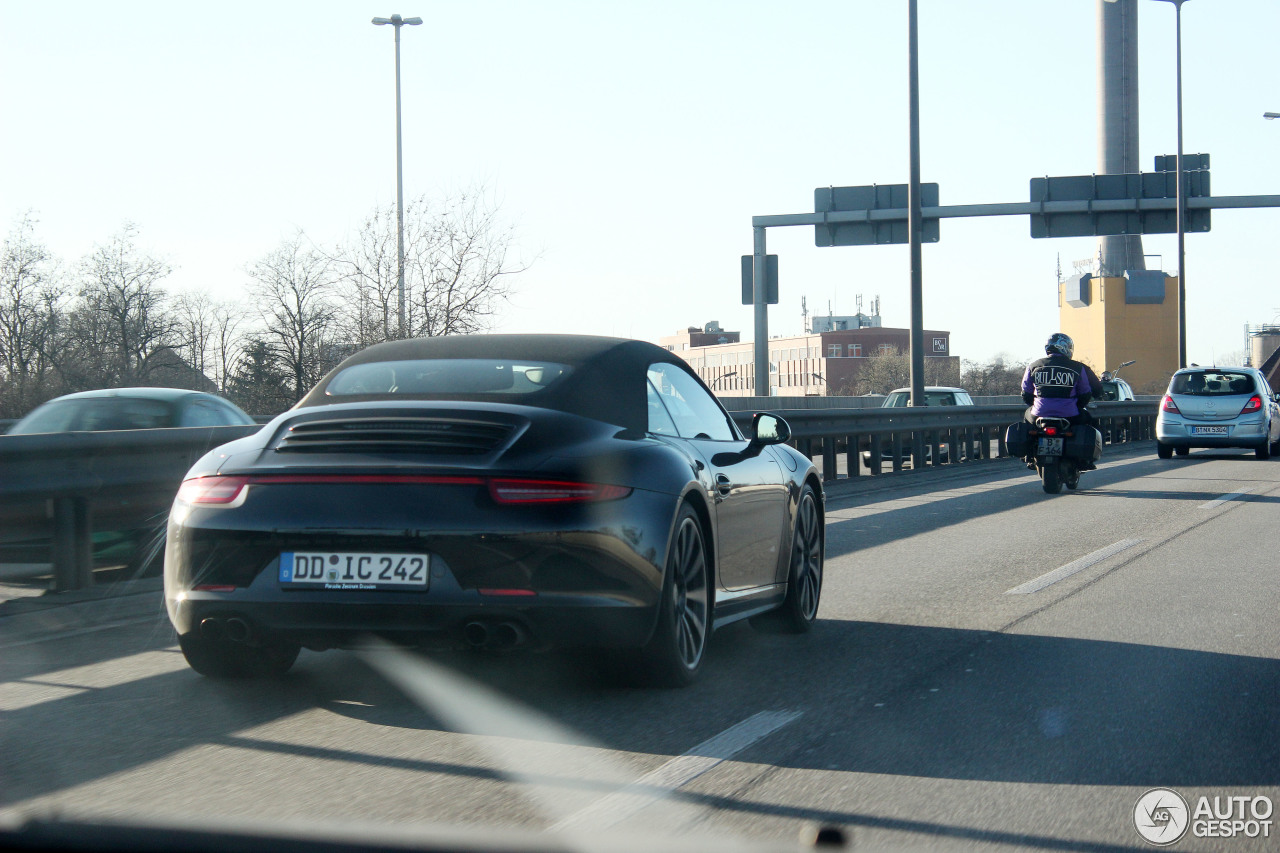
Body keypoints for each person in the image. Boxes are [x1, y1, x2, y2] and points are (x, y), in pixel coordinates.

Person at [1021, 332, 1102, 467]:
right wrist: (1078, 406)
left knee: (1027, 420)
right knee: (1090, 422)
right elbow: (1085, 393)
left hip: (1039, 413)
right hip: (1070, 414)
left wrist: (1037, 405)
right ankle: (1086, 459)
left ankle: (1028, 456)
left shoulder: (1033, 366)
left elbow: (1026, 393)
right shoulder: (1077, 367)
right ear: (1066, 348)